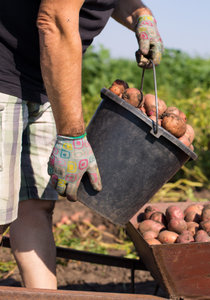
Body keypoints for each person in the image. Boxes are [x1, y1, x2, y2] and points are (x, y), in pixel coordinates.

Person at [0, 0, 163, 289]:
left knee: (36, 205)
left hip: (45, 82)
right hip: (4, 75)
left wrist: (140, 15)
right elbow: (53, 20)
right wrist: (72, 135)